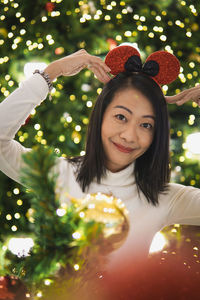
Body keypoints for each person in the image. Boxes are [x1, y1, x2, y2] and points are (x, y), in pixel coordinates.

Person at [0, 47, 200, 270]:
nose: (129, 136)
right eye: (121, 117)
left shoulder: (165, 197)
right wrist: (51, 73)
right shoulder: (59, 174)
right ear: (100, 116)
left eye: (146, 125)